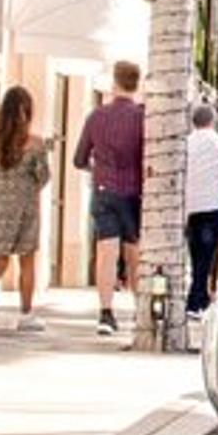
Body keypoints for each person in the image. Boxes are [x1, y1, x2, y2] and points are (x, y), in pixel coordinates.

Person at [0, 86, 51, 332]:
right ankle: (25, 314)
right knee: (27, 262)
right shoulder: (34, 143)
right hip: (24, 209)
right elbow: (43, 177)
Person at [74, 60, 144, 336]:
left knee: (106, 251)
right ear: (137, 85)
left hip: (103, 190)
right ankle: (141, 312)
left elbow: (79, 158)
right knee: (134, 253)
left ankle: (106, 312)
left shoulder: (96, 117)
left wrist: (98, 168)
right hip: (133, 192)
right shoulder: (142, 117)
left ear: (114, 84)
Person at [184, 103, 218, 318]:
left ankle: (199, 297)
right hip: (212, 205)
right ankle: (196, 300)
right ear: (212, 121)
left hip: (192, 207)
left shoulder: (187, 142)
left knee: (196, 256)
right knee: (207, 256)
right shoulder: (217, 140)